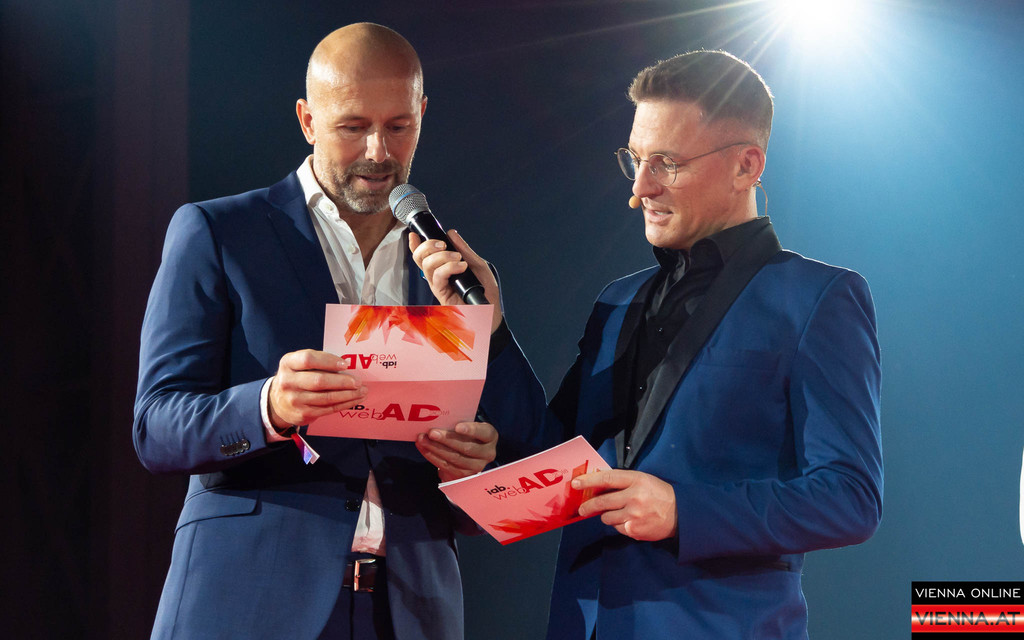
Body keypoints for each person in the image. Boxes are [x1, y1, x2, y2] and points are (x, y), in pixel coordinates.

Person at [413, 50, 883, 639]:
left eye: (667, 163)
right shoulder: (617, 300)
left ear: (747, 165)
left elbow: (850, 498)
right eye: (635, 160)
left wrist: (684, 513)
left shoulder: (819, 298)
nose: (639, 189)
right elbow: (553, 456)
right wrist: (489, 330)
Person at [134, 23, 499, 640]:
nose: (378, 152)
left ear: (422, 113)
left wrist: (473, 462)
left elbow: (508, 454)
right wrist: (269, 407)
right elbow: (155, 428)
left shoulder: (447, 265)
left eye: (399, 126)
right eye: (353, 127)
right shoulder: (219, 233)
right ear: (307, 120)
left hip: (410, 609)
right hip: (250, 602)